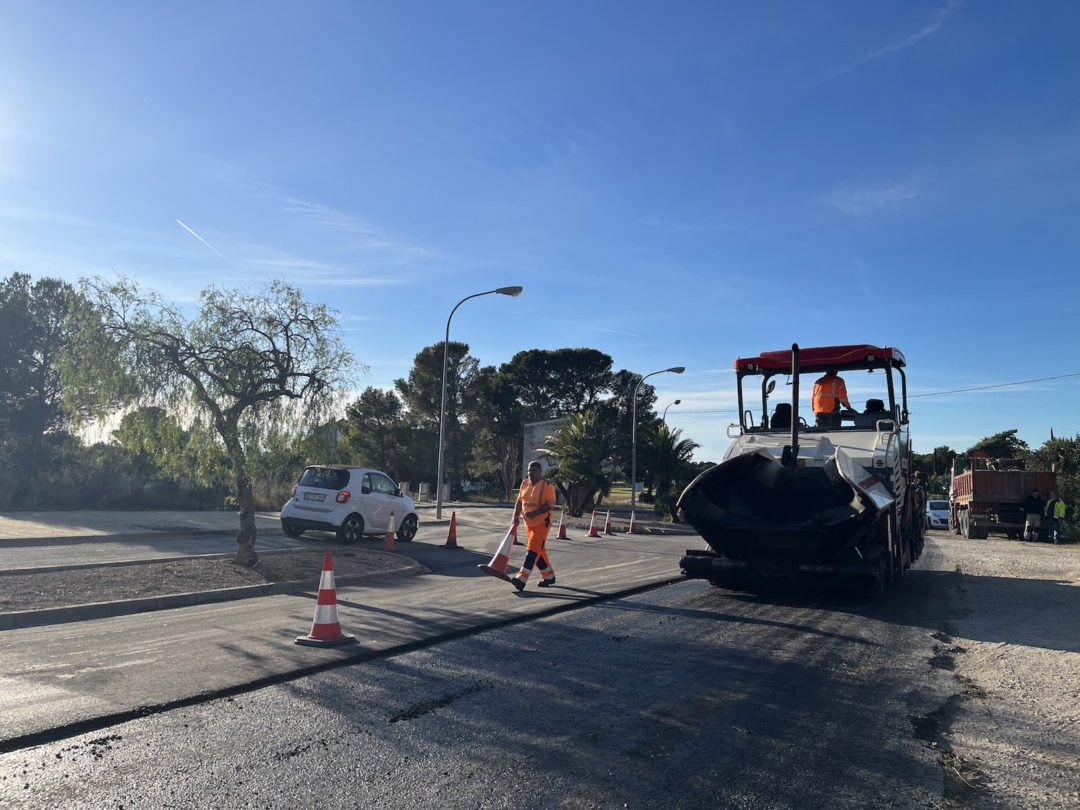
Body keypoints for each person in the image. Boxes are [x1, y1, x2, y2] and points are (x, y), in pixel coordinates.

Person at [510, 461, 557, 591]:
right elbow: (519, 502)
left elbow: (551, 504)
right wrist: (515, 516)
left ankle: (521, 578)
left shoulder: (547, 486)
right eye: (529, 470)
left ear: (540, 472)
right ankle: (549, 576)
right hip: (528, 524)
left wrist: (535, 513)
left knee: (532, 550)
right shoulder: (524, 484)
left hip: (542, 523)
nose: (531, 473)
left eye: (534, 470)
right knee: (538, 551)